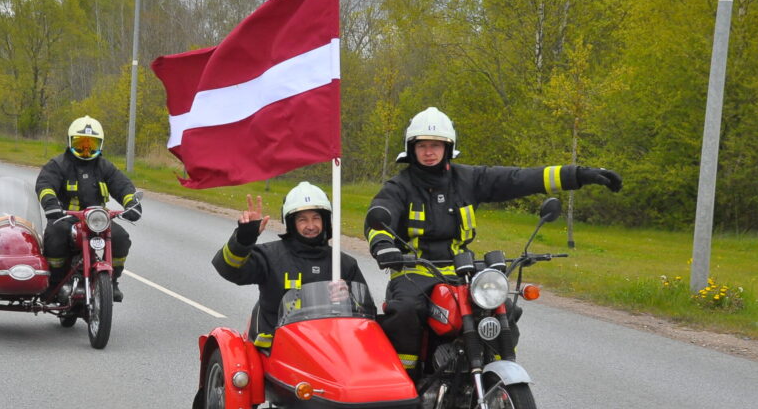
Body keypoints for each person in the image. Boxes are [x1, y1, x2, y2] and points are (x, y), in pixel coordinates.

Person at [364, 106, 622, 371]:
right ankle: (405, 381)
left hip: (459, 270)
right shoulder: (399, 186)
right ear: (411, 148)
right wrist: (383, 245)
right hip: (414, 270)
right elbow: (380, 214)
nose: (429, 152)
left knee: (502, 307)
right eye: (422, 146)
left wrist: (578, 174)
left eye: (436, 145)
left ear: (448, 148)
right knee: (406, 311)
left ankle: (498, 376)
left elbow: (519, 178)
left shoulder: (468, 179)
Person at [213, 182, 369, 349]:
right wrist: (244, 240)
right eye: (303, 219)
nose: (310, 226)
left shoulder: (344, 264)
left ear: (325, 221)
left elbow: (366, 315)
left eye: (316, 218)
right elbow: (228, 268)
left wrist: (349, 300)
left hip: (328, 350)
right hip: (275, 349)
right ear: (291, 223)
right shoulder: (270, 256)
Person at [35, 116, 140, 302]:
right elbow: (45, 184)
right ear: (70, 142)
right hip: (65, 218)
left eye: (91, 144)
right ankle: (54, 282)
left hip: (97, 220)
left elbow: (122, 185)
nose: (86, 149)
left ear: (100, 145)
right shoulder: (58, 164)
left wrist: (132, 203)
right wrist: (51, 205)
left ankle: (113, 280)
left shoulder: (104, 166)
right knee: (54, 235)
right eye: (80, 143)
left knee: (121, 238)